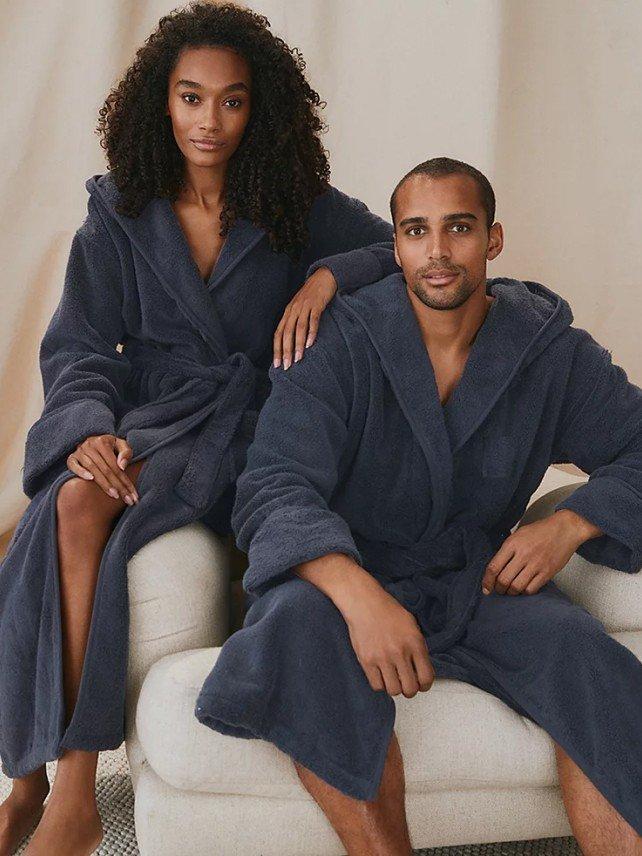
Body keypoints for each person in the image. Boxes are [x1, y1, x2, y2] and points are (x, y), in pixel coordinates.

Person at [0, 4, 397, 854]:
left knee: (67, 514)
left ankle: (59, 785)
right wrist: (87, 427)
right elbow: (77, 341)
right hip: (146, 420)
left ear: (261, 110)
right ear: (160, 102)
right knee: (64, 505)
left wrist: (326, 279)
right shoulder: (120, 212)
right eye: (190, 98)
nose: (207, 122)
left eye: (231, 101)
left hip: (249, 426)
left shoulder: (290, 204)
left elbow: (398, 247)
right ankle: (40, 781)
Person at [197, 156, 642, 855]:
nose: (437, 252)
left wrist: (570, 522)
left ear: (492, 240)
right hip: (342, 574)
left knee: (583, 656)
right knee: (295, 628)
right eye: (416, 231)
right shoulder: (340, 337)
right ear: (395, 245)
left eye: (458, 229)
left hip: (475, 577)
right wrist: (360, 596)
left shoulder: (550, 351)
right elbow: (274, 483)